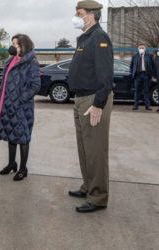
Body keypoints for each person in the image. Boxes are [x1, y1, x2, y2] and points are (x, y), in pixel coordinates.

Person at [68, 0, 114, 213]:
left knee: (95, 150)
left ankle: (98, 197)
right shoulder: (85, 38)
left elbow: (105, 75)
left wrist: (98, 105)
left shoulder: (99, 37)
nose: (76, 17)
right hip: (81, 98)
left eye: (79, 13)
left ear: (90, 16)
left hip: (93, 99)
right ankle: (88, 186)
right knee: (84, 148)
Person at [0, 34, 41, 182]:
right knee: (11, 135)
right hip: (8, 105)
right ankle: (11, 163)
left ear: (23, 46)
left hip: (21, 107)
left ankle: (23, 168)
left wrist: (20, 99)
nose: (13, 47)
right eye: (12, 44)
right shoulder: (10, 61)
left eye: (16, 45)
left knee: (23, 138)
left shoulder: (31, 62)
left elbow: (35, 85)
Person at [130, 43, 156, 110]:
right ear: (138, 49)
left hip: (146, 75)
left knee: (146, 91)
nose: (141, 49)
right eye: (140, 48)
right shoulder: (135, 56)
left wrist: (152, 75)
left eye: (143, 48)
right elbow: (131, 66)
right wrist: (132, 73)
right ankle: (136, 105)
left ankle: (147, 106)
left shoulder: (149, 56)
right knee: (137, 91)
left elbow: (153, 66)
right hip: (138, 76)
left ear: (145, 49)